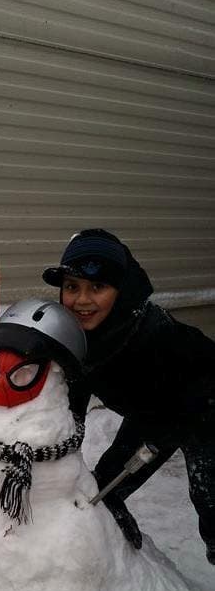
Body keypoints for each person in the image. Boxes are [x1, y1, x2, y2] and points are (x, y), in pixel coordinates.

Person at [42, 228, 215, 563]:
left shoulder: (155, 338)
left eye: (98, 287)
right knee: (105, 489)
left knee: (211, 502)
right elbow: (73, 404)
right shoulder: (75, 333)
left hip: (203, 408)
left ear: (122, 291)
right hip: (151, 411)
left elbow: (167, 417)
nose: (82, 300)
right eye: (71, 287)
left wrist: (128, 465)